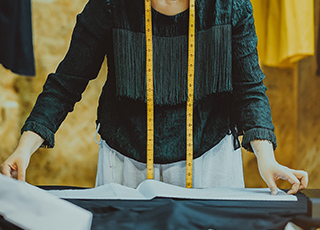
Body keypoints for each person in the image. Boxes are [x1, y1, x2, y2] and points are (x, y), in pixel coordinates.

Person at [0, 0, 308, 194]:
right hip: (126, 162)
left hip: (209, 160)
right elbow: (66, 83)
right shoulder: (109, 5)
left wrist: (266, 158)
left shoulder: (231, 6)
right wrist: (25, 149)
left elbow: (249, 89)